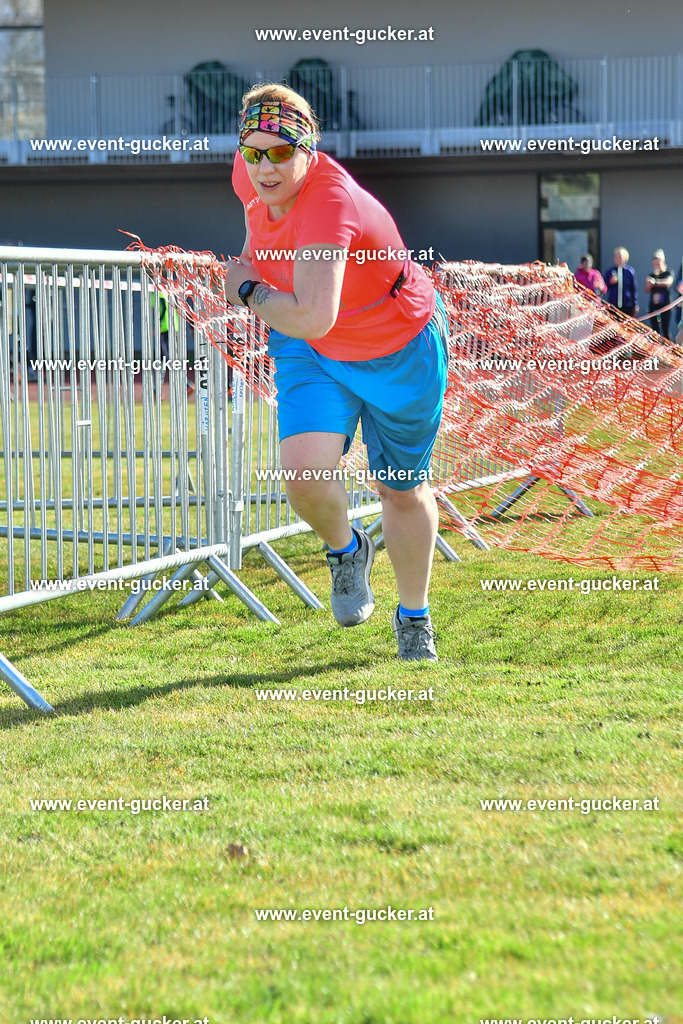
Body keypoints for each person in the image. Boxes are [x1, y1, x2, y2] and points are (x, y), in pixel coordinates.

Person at [223, 83, 449, 661]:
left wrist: (247, 289)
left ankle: (414, 616)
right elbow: (259, 236)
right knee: (301, 473)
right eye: (253, 152)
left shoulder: (329, 202)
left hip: (398, 345)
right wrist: (253, 263)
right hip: (312, 349)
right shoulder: (250, 174)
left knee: (400, 492)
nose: (264, 166)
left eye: (279, 152)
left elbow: (313, 314)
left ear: (309, 149)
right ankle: (348, 551)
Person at [644, 249, 674, 339]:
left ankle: (669, 350)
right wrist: (649, 284)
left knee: (665, 329)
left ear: (663, 262)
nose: (656, 266)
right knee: (655, 331)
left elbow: (668, 282)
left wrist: (655, 282)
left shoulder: (668, 273)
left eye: (658, 264)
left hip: (665, 305)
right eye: (654, 264)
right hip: (654, 306)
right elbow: (646, 290)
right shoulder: (652, 275)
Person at [604, 247, 638, 317]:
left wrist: (635, 304)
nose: (618, 259)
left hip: (627, 304)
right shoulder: (610, 271)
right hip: (613, 304)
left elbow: (633, 289)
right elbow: (604, 287)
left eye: (620, 257)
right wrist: (610, 282)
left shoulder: (629, 271)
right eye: (616, 257)